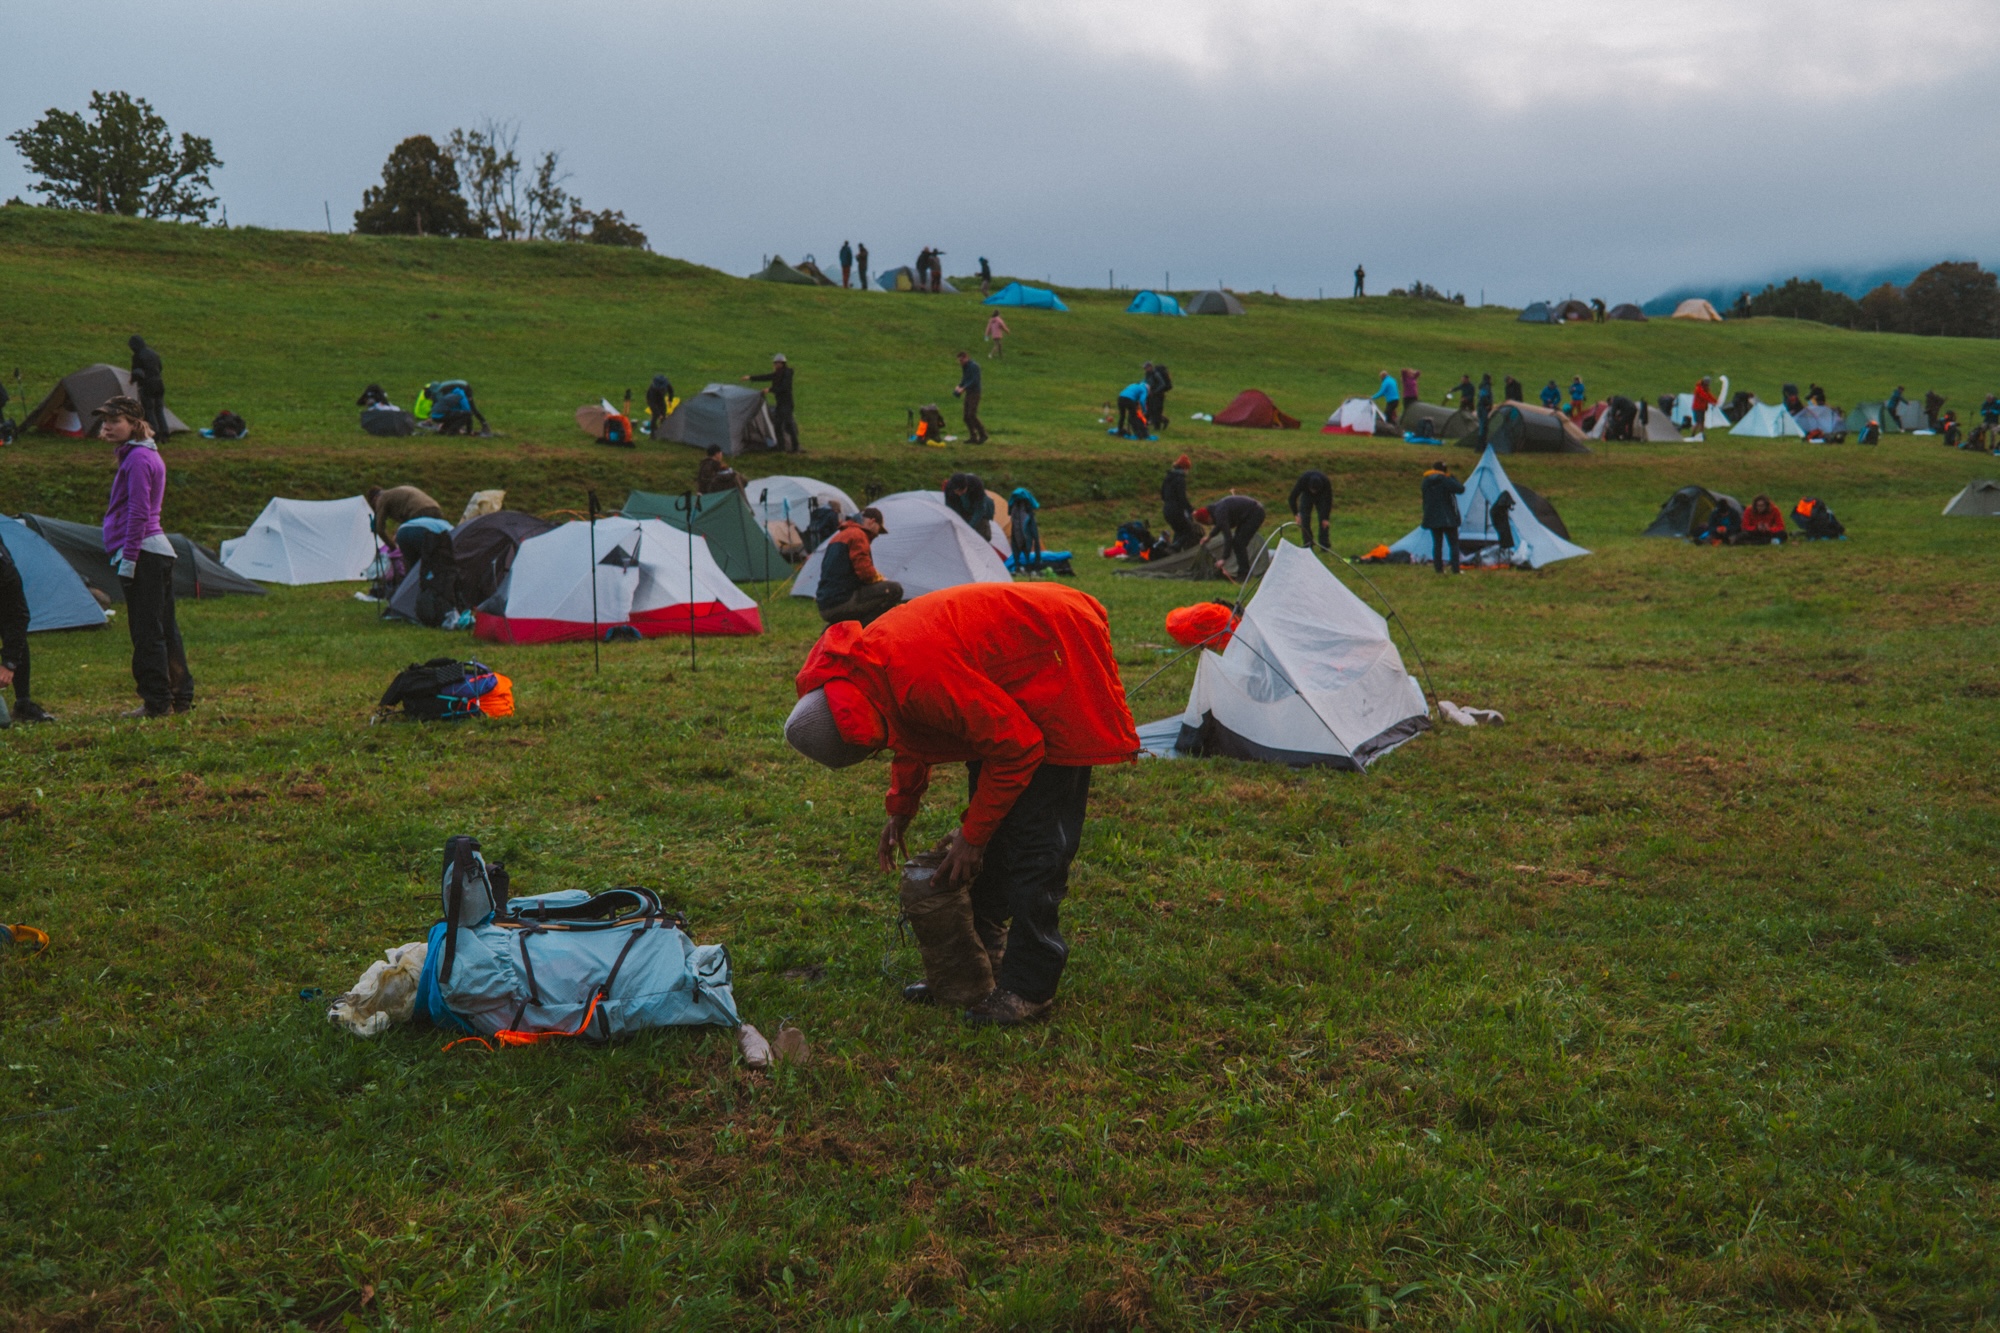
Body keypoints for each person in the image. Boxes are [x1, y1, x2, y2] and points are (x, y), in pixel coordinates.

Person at [784, 582, 1139, 1026]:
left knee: (1035, 845)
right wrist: (902, 806)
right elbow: (908, 729)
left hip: (1054, 655)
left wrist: (971, 837)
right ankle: (980, 965)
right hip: (997, 680)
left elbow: (1018, 746)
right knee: (996, 831)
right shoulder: (864, 672)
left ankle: (1029, 990)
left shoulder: (917, 678)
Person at [99, 396, 193, 717]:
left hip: (144, 553)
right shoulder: (140, 454)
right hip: (154, 552)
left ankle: (156, 703)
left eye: (115, 421)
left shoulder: (138, 459)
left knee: (146, 631)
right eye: (105, 421)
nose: (107, 427)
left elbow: (139, 512)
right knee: (165, 627)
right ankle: (180, 696)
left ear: (133, 423)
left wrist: (129, 559)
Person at [814, 507, 901, 626]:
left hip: (826, 603)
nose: (877, 535)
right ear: (872, 521)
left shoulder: (839, 536)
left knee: (872, 598)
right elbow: (866, 573)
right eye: (878, 529)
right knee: (894, 590)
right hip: (843, 601)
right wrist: (881, 579)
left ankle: (837, 629)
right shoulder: (858, 535)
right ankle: (862, 633)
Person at [0, 537, 54, 726]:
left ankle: (23, 703)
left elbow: (18, 617)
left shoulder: (5, 572)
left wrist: (9, 663)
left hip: (7, 598)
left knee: (3, 721)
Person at [1192, 494, 1265, 581]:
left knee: (1239, 543)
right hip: (1249, 514)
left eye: (1208, 523)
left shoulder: (1219, 513)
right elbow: (1219, 525)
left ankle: (1244, 574)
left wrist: (1223, 559)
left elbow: (1228, 537)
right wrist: (1210, 536)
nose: (1211, 524)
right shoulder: (1215, 510)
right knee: (1238, 543)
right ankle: (1244, 572)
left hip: (1255, 514)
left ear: (1208, 518)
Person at [744, 354, 799, 453]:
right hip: (780, 404)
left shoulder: (787, 374)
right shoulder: (777, 374)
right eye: (775, 363)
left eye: (777, 363)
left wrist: (770, 389)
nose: (775, 365)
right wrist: (751, 377)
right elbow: (766, 377)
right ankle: (781, 448)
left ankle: (795, 448)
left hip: (787, 404)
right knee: (778, 425)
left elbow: (784, 387)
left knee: (789, 425)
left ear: (782, 364)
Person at [1420, 460, 1465, 575]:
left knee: (1437, 544)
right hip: (1448, 517)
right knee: (1454, 544)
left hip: (1432, 516)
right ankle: (1455, 569)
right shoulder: (1445, 480)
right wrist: (1452, 478)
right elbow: (1460, 489)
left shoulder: (1425, 481)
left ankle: (1438, 569)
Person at [128, 335, 168, 439]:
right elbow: (160, 367)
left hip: (147, 385)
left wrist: (132, 380)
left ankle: (155, 433)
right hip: (159, 383)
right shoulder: (154, 354)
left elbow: (137, 372)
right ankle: (165, 432)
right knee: (159, 409)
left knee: (149, 409)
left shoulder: (137, 356)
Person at [1288, 470, 1332, 552]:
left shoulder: (1326, 482)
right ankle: (1308, 544)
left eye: (1316, 490)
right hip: (1306, 496)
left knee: (1323, 522)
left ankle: (1324, 545)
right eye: (1313, 490)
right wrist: (1296, 514)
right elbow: (1292, 498)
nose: (1314, 492)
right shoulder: (1303, 480)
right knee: (1304, 520)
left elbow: (1328, 500)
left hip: (1321, 497)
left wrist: (1326, 518)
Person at [1161, 455, 1197, 550]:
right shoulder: (1180, 479)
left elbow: (1162, 495)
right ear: (1184, 468)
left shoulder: (1168, 477)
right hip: (1176, 511)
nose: (1187, 472)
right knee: (1190, 530)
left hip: (1166, 510)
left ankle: (1173, 550)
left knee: (1179, 531)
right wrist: (1191, 510)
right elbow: (1182, 498)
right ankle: (1174, 547)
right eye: (1187, 469)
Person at [944, 472, 995, 538]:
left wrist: (969, 528)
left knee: (983, 533)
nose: (959, 494)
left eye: (961, 491)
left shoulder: (976, 484)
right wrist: (958, 521)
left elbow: (979, 510)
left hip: (978, 508)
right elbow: (950, 509)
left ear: (966, 486)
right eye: (956, 491)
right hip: (961, 508)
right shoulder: (949, 488)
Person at [954, 351, 988, 444]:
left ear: (966, 357)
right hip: (969, 393)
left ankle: (983, 434)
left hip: (975, 392)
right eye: (959, 361)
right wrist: (959, 386)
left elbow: (974, 380)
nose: (960, 363)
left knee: (971, 415)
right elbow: (965, 378)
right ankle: (973, 436)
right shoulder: (965, 367)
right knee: (966, 416)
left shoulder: (973, 366)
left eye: (961, 360)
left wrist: (963, 388)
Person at [1145, 362, 1173, 433]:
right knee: (1150, 409)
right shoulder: (1148, 374)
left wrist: (1155, 392)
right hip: (1151, 394)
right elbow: (1147, 382)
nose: (1145, 369)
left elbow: (1162, 384)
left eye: (1147, 367)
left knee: (1156, 410)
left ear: (1150, 367)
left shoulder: (1156, 374)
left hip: (1158, 395)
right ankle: (1152, 423)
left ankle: (1158, 426)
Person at [645, 373, 675, 438]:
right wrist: (658, 414)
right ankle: (652, 434)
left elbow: (671, 391)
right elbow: (652, 404)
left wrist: (670, 400)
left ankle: (663, 432)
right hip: (652, 400)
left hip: (661, 399)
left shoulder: (667, 385)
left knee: (663, 413)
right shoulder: (652, 390)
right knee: (655, 416)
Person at [1490, 489, 1516, 559]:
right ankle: (1505, 550)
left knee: (1504, 532)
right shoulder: (1498, 510)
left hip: (1499, 520)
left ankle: (1505, 550)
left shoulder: (1497, 508)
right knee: (1504, 532)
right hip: (1499, 521)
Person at [1476, 374, 1494, 445]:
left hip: (1480, 407)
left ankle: (1480, 444)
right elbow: (1484, 396)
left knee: (1481, 425)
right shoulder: (1486, 386)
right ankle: (1481, 445)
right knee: (1483, 425)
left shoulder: (1482, 386)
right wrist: (1488, 404)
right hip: (1483, 407)